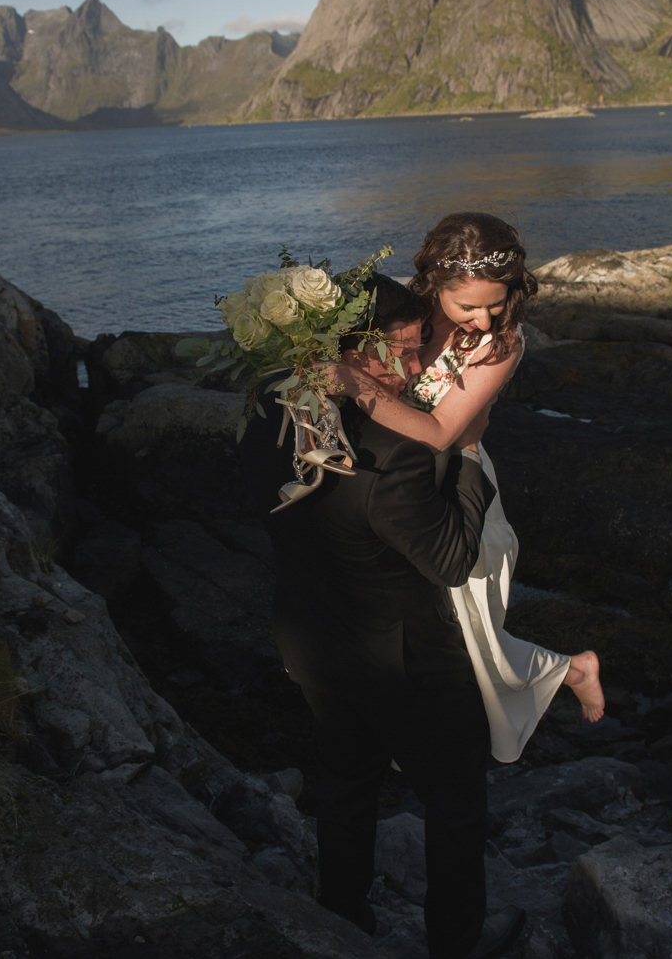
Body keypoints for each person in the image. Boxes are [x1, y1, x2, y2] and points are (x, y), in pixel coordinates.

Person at [239, 356, 526, 958]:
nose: (412, 366)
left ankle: (342, 919)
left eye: (417, 350)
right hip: (406, 659)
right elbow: (451, 559)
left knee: (345, 782)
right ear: (346, 350)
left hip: (313, 640)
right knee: (455, 801)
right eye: (393, 350)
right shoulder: (395, 451)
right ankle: (457, 945)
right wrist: (468, 453)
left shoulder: (275, 408)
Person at [327, 212, 604, 763]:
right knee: (407, 622)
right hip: (384, 484)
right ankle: (404, 733)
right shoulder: (396, 309)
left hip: (454, 481)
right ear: (434, 283)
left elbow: (440, 433)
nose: (483, 319)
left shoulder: (501, 344)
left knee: (469, 629)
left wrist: (352, 382)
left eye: (496, 304)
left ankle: (570, 671)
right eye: (468, 306)